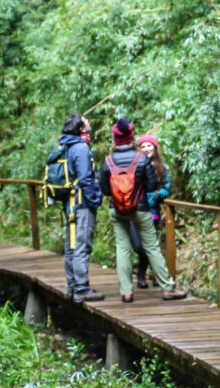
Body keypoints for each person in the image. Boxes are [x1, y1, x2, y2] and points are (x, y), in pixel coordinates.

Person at [100, 119, 186, 303]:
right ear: (132, 137)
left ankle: (126, 292)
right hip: (140, 208)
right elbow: (152, 185)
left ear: (115, 139)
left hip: (116, 209)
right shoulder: (141, 159)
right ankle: (167, 289)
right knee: (152, 247)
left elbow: (105, 190)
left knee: (122, 248)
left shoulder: (108, 161)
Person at [58, 113, 104, 302]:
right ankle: (82, 288)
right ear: (81, 128)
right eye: (85, 120)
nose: (88, 120)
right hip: (82, 203)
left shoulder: (64, 145)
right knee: (82, 244)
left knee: (71, 245)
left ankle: (72, 286)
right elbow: (86, 178)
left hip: (69, 202)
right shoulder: (80, 148)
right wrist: (95, 199)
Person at [131, 133, 171, 287]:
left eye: (149, 145)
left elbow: (167, 188)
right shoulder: (135, 165)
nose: (147, 148)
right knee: (138, 246)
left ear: (155, 147)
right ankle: (144, 272)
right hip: (135, 210)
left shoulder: (163, 168)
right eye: (143, 146)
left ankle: (144, 275)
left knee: (150, 245)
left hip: (152, 212)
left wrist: (160, 194)